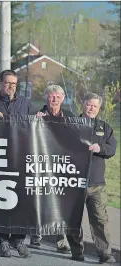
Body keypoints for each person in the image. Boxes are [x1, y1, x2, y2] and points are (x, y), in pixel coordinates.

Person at [0, 70, 34, 258]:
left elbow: (35, 130)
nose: (10, 87)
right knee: (2, 202)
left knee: (21, 202)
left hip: (20, 159)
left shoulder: (26, 104)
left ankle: (18, 239)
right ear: (0, 84)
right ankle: (2, 241)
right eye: (7, 83)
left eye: (13, 83)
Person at [66, 92, 117, 264]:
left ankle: (105, 254)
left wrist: (99, 148)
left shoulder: (105, 127)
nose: (92, 108)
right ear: (83, 104)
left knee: (100, 220)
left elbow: (112, 149)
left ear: (99, 108)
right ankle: (76, 251)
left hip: (96, 184)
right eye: (89, 105)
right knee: (73, 219)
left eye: (95, 106)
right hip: (74, 182)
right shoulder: (71, 125)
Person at [30, 84, 75, 252]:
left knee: (60, 205)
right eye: (51, 96)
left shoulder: (70, 117)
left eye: (58, 96)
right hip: (40, 165)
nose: (55, 99)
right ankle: (36, 236)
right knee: (38, 201)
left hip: (61, 167)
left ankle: (61, 241)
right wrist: (35, 122)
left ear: (63, 98)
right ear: (46, 98)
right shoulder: (35, 115)